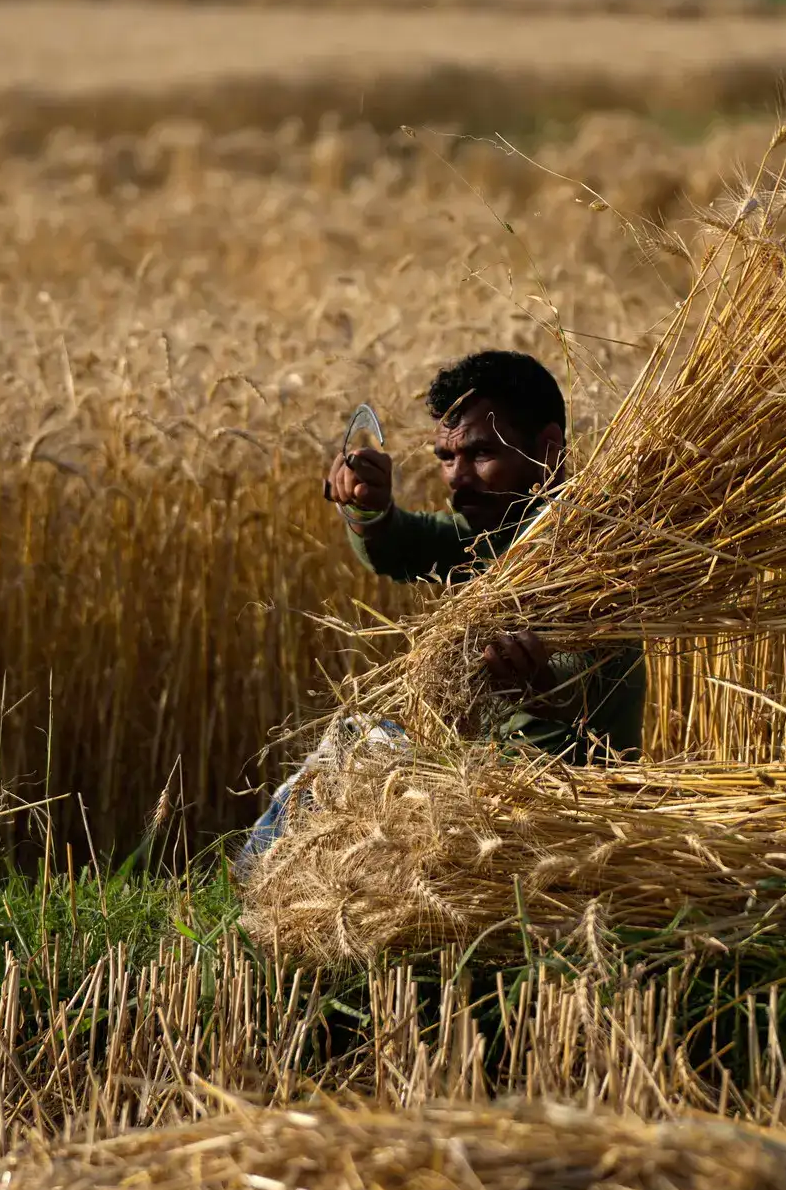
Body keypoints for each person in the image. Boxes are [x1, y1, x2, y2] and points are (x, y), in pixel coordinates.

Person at [242, 351, 644, 859]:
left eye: (480, 453)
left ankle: (247, 882)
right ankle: (253, 883)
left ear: (547, 448)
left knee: (358, 743)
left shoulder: (591, 554)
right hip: (487, 795)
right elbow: (403, 545)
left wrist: (546, 690)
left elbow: (582, 689)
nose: (457, 476)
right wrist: (368, 506)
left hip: (561, 812)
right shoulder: (493, 535)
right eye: (446, 458)